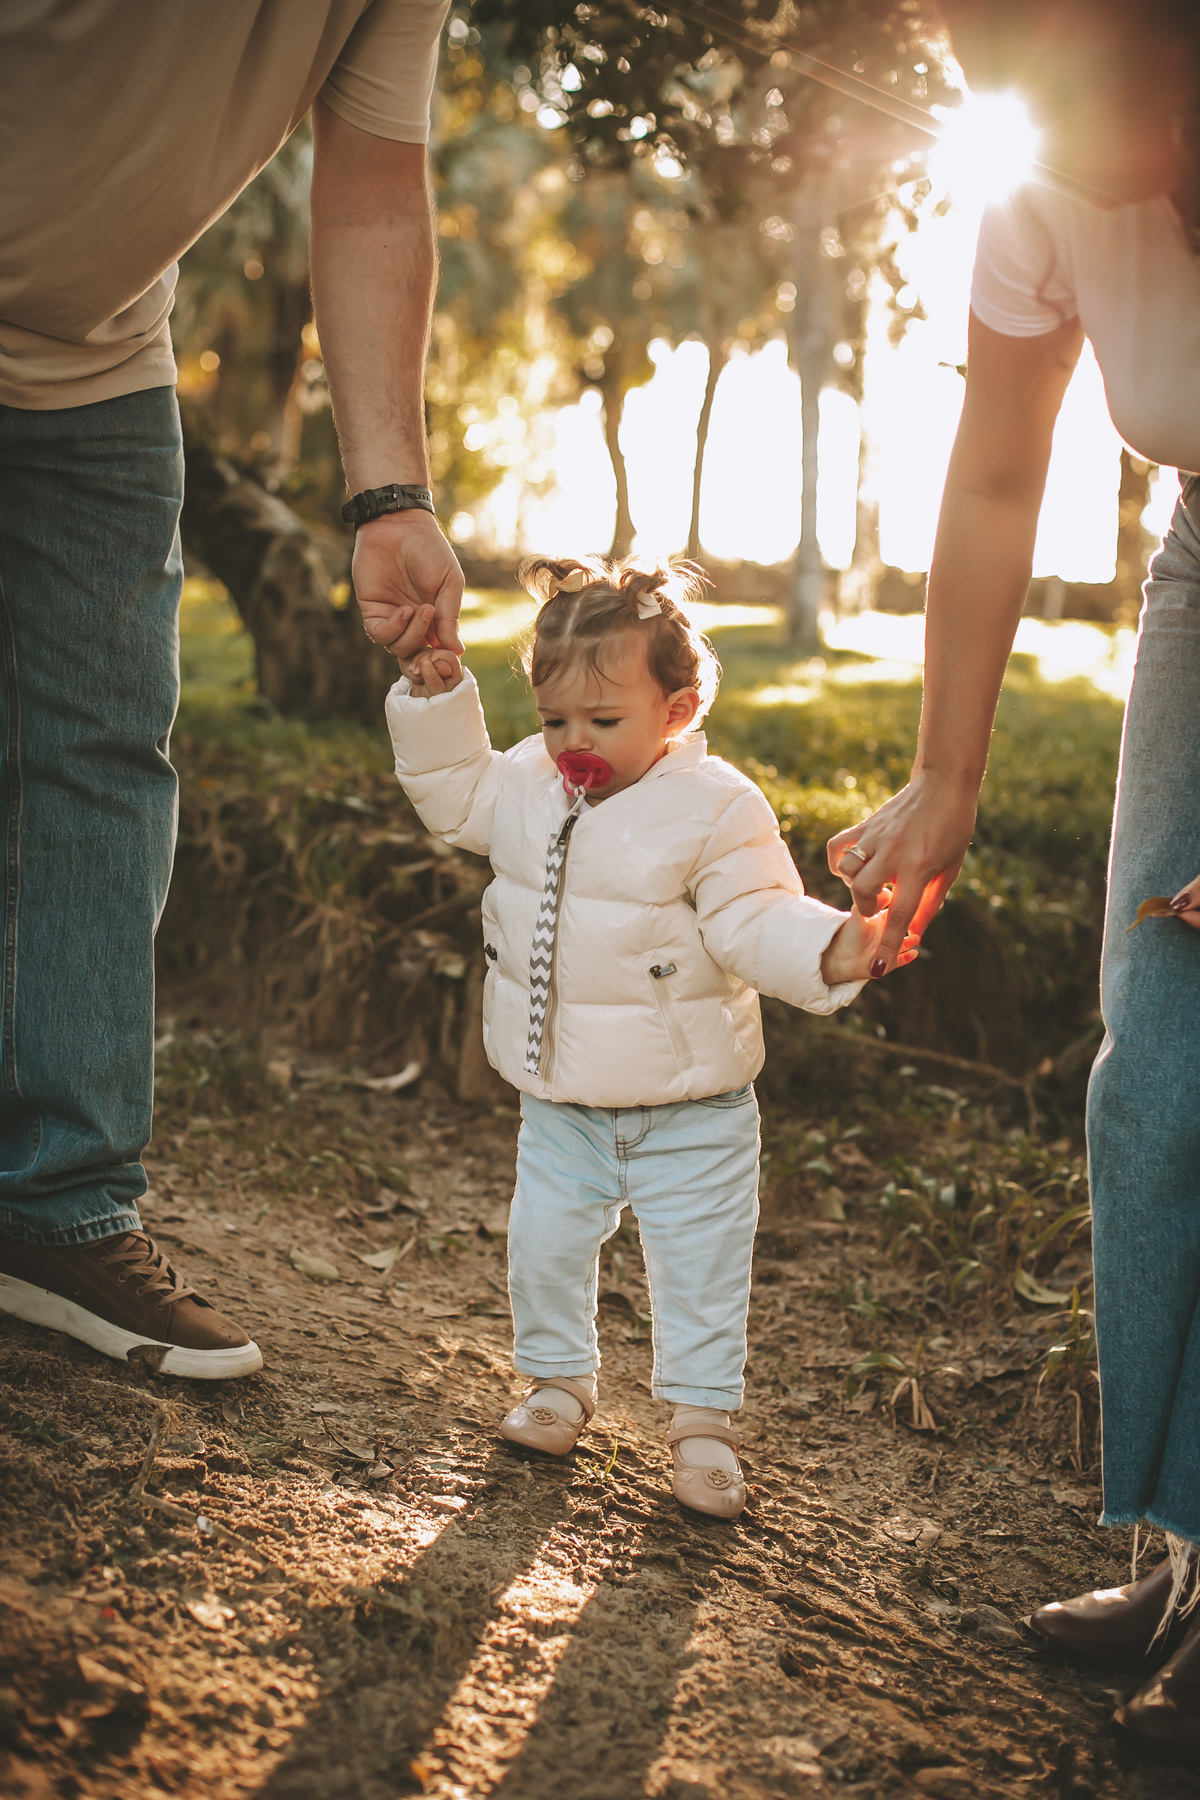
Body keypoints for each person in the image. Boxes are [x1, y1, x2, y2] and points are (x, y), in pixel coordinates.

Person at [826, 0, 1200, 1753]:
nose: (1029, 132)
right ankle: (1194, 1545)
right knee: (1170, 1067)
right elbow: (994, 472)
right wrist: (946, 777)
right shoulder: (1042, 186)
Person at [0, 3, 464, 1379]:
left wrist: (390, 498)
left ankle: (54, 1212)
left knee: (100, 759)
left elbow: (376, 191)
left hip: (94, 368)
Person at [387, 555, 916, 1518]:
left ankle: (703, 1426)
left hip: (695, 1107)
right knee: (543, 1246)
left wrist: (840, 949)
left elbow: (756, 914)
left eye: (603, 720)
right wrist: (439, 700)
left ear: (677, 710)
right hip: (562, 1097)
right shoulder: (527, 784)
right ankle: (557, 1383)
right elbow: (454, 794)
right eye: (553, 721)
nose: (572, 743)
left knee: (702, 1268)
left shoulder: (714, 808)